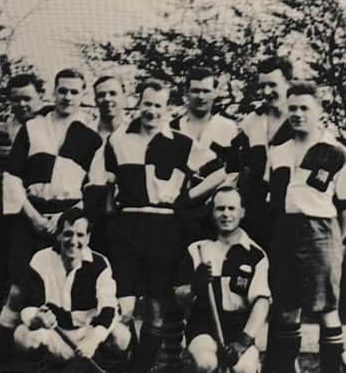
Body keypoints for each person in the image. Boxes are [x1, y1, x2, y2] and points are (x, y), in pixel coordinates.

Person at [89, 79, 225, 372]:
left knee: (155, 309)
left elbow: (218, 173)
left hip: (165, 228)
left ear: (167, 109)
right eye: (147, 104)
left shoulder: (181, 142)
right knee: (122, 308)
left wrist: (188, 196)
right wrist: (112, 223)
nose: (151, 111)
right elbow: (107, 190)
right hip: (127, 227)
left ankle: (138, 369)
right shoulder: (118, 140)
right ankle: (127, 362)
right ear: (138, 103)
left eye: (158, 106)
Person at [0, 68, 103, 356]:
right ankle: (4, 357)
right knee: (19, 287)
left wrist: (66, 218)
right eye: (62, 90)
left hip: (66, 218)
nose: (67, 97)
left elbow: (94, 187)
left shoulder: (91, 137)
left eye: (74, 91)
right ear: (53, 93)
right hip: (30, 213)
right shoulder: (33, 127)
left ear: (83, 95)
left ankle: (56, 355)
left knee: (58, 286)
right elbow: (12, 176)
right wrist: (31, 214)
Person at [265, 81, 346, 373]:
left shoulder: (336, 153)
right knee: (286, 308)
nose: (297, 114)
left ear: (319, 111)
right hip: (284, 233)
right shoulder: (278, 151)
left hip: (320, 233)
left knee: (326, 309)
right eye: (292, 108)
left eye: (304, 108)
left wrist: (333, 242)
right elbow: (274, 199)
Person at [0, 73, 45, 370]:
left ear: (40, 96)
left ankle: (27, 353)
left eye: (27, 98)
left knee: (25, 286)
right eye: (15, 99)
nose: (22, 104)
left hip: (31, 219)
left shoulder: (47, 130)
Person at [14, 207, 131, 372]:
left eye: (80, 235)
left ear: (88, 238)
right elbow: (29, 305)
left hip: (87, 335)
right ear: (59, 235)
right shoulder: (40, 260)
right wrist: (37, 318)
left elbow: (109, 308)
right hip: (54, 334)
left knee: (121, 336)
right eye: (68, 233)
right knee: (24, 336)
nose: (73, 241)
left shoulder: (100, 264)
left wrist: (93, 340)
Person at [175, 186, 271, 373]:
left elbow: (262, 303)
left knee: (243, 368)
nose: (225, 214)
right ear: (212, 212)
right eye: (220, 209)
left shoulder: (255, 255)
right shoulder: (198, 250)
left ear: (242, 212)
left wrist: (243, 342)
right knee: (206, 363)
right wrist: (196, 285)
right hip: (203, 326)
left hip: (240, 328)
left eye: (231, 208)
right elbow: (179, 299)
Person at [230, 57, 295, 251]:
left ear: (288, 83)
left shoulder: (300, 122)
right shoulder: (251, 122)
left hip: (289, 214)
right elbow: (233, 169)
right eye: (262, 86)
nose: (266, 92)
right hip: (254, 214)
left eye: (273, 85)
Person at [170, 66, 235, 244]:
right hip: (180, 210)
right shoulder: (172, 128)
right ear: (186, 93)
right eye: (196, 91)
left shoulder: (228, 128)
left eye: (206, 91)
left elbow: (234, 172)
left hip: (216, 211)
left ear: (215, 93)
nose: (201, 97)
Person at [87, 75, 129, 256]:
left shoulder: (134, 133)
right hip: (89, 209)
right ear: (95, 99)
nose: (107, 99)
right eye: (102, 95)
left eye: (113, 93)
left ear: (124, 97)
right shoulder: (85, 133)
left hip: (123, 211)